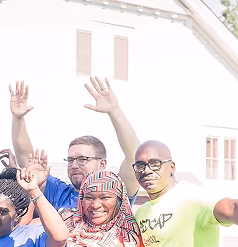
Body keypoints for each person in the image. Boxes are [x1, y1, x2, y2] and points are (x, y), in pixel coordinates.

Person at [9, 78, 141, 211]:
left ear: (102, 164)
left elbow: (135, 156)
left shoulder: (115, 193)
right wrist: (18, 118)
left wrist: (115, 111)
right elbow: (26, 158)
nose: (74, 165)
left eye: (82, 159)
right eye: (71, 160)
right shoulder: (60, 193)